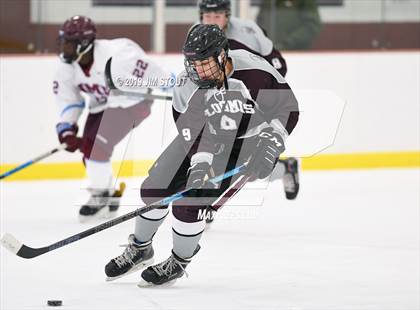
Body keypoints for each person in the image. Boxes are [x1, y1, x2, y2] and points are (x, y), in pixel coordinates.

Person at [104, 24, 299, 286]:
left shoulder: (256, 71)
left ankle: (179, 261)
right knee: (154, 188)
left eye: (205, 63)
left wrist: (271, 143)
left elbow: (288, 108)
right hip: (205, 138)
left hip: (245, 145)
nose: (198, 71)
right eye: (193, 64)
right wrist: (200, 164)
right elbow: (192, 133)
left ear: (222, 56)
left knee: (189, 205)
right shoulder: (186, 86)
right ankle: (141, 248)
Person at [54, 15, 170, 222]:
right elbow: (68, 99)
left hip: (132, 104)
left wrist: (173, 86)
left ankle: (101, 197)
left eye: (69, 43)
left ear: (83, 44)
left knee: (94, 147)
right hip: (102, 106)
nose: (64, 48)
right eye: (63, 41)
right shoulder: (66, 67)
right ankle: (110, 192)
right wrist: (67, 128)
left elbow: (152, 72)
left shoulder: (119, 55)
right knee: (89, 153)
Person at [198, 0, 300, 207]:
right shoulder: (197, 32)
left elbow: (278, 65)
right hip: (224, 99)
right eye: (207, 17)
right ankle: (284, 167)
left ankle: (282, 168)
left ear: (227, 15)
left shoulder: (247, 31)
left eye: (217, 16)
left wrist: (261, 95)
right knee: (225, 150)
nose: (212, 22)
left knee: (251, 162)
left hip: (255, 99)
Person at [257, 0, 322, 50]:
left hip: (296, 54)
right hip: (269, 54)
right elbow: (260, 22)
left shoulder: (304, 2)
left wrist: (287, 43)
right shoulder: (269, 2)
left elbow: (312, 26)